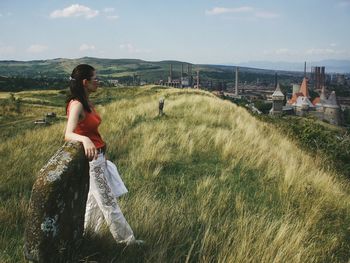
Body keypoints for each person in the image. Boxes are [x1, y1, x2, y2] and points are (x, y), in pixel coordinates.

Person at [64, 64, 143, 246]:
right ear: (85, 82)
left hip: (99, 158)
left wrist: (101, 151)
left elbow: (92, 132)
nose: (98, 81)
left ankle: (88, 236)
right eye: (95, 79)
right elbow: (68, 133)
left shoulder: (87, 103)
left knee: (94, 203)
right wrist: (85, 141)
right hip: (92, 162)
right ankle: (127, 242)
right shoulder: (76, 105)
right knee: (109, 202)